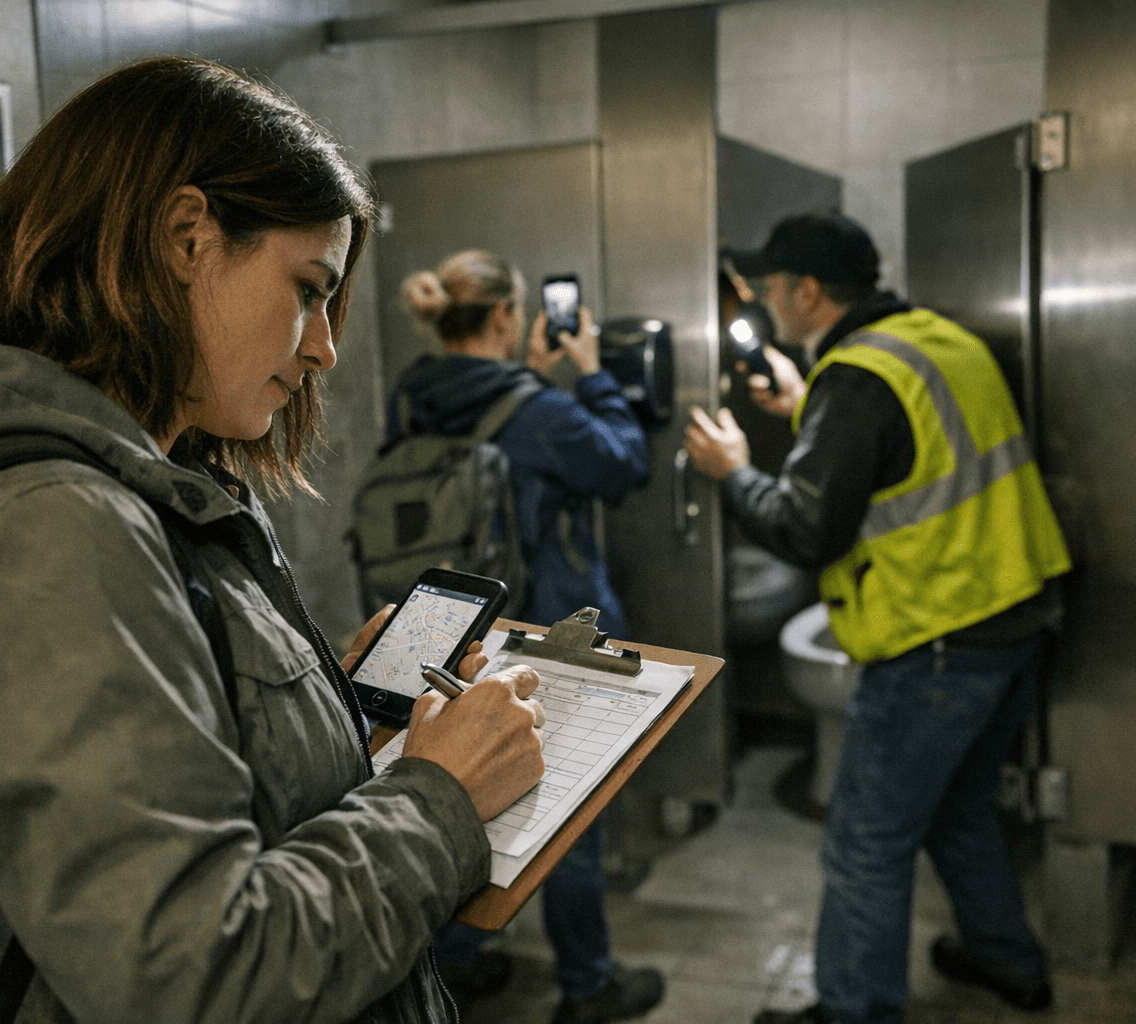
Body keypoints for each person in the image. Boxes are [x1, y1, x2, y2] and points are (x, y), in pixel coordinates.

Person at [0, 57, 549, 1024]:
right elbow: (188, 974)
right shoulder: (50, 528)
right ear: (189, 237)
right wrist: (440, 796)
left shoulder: (137, 485)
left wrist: (327, 717)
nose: (324, 347)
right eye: (310, 288)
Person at [683, 212, 1072, 1024]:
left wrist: (734, 471)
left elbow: (803, 528)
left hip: (936, 641)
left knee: (865, 843)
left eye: (769, 286)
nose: (760, 297)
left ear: (807, 291)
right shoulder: (931, 337)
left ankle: (854, 1011)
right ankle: (1009, 962)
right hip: (1017, 616)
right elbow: (903, 452)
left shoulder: (857, 377)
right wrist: (807, 409)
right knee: (961, 812)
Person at [388, 249, 662, 1024]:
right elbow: (623, 462)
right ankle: (587, 984)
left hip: (451, 631)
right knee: (562, 808)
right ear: (507, 318)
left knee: (467, 794)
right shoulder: (535, 407)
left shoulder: (410, 397)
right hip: (546, 633)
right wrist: (590, 371)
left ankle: (458, 962)